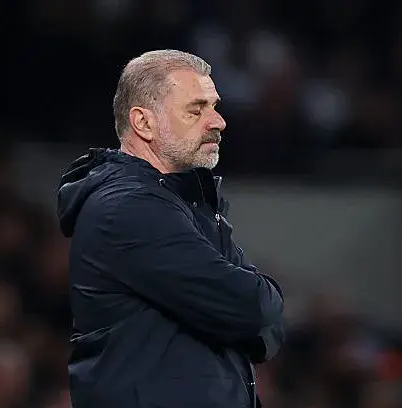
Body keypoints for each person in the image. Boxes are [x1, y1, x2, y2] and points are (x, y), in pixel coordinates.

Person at [57, 49, 285, 408]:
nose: (218, 122)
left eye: (214, 106)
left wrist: (250, 314)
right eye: (196, 110)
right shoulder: (127, 208)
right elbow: (254, 307)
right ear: (143, 123)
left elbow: (267, 327)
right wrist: (248, 314)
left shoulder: (187, 204)